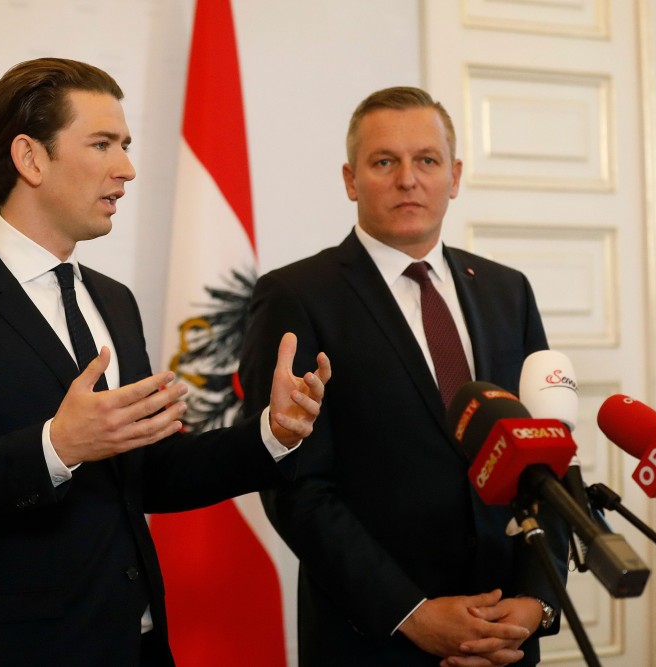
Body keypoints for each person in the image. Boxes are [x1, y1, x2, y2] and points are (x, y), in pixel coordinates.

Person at [0, 57, 331, 666]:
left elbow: (151, 473)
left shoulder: (113, 300)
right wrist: (56, 447)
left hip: (139, 647)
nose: (128, 168)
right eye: (102, 144)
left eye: (126, 144)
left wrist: (270, 437)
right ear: (30, 158)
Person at [238, 86, 569, 666]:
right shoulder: (296, 297)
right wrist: (410, 612)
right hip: (374, 640)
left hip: (505, 639)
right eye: (384, 162)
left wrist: (536, 601)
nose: (408, 179)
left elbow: (550, 455)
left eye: (427, 160)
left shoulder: (507, 291)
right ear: (350, 179)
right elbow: (295, 487)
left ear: (455, 175)